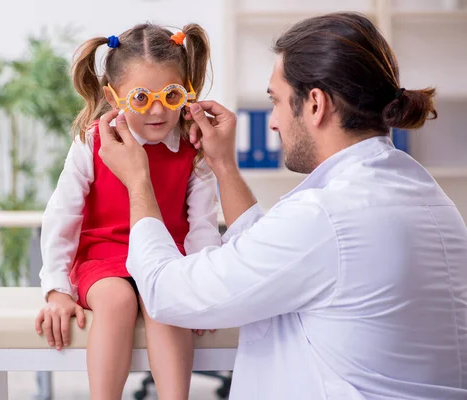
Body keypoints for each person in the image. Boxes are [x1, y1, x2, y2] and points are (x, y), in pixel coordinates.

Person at [97, 12, 467, 400]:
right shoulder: (426, 196)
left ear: (315, 104)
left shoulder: (326, 217)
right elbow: (269, 255)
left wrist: (138, 182)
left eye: (276, 101)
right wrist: (223, 165)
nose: (272, 123)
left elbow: (164, 293)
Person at [34, 23, 222, 399]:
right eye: (140, 98)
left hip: (166, 259)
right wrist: (57, 289)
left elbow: (202, 226)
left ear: (186, 91)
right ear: (113, 96)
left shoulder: (193, 148)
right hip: (105, 257)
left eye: (170, 95)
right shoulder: (93, 141)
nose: (157, 110)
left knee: (165, 302)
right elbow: (62, 216)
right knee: (117, 301)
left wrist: (201, 287)